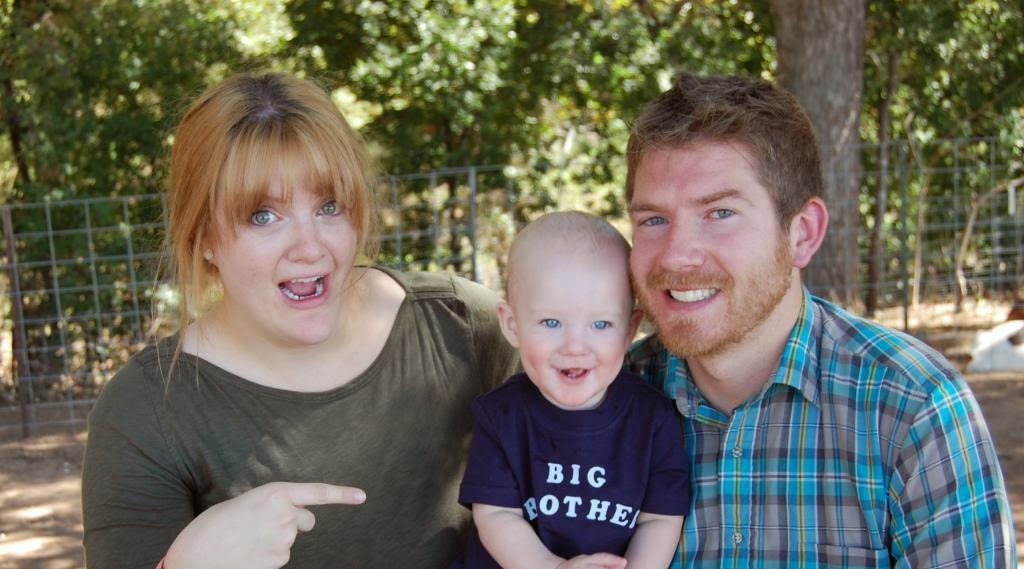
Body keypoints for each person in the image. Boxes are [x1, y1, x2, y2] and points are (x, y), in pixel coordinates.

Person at [80, 72, 519, 569]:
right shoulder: (146, 410)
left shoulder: (465, 327)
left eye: (330, 207)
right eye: (263, 216)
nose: (310, 248)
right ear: (203, 237)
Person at [625, 72, 1018, 567]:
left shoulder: (912, 405)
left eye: (720, 213)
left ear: (803, 234)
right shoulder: (599, 396)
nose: (676, 255)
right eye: (653, 220)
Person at [456, 211, 691, 569]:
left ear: (629, 330)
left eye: (601, 324)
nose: (575, 346)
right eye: (551, 322)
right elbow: (496, 515)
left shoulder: (653, 419)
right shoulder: (500, 415)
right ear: (512, 325)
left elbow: (659, 519)